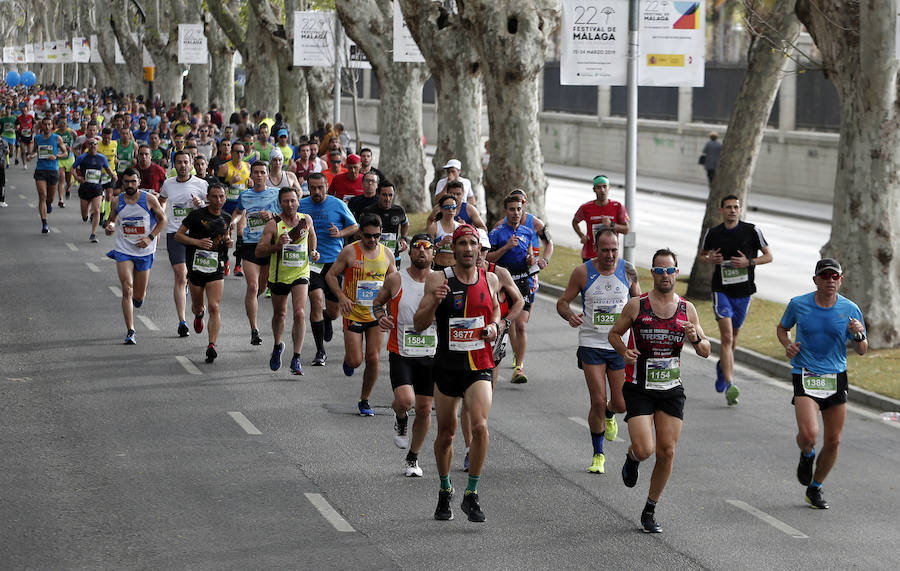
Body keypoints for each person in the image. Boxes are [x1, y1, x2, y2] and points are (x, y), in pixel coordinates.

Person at [608, 249, 711, 533]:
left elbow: (705, 350)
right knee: (645, 448)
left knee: (667, 451)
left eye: (670, 270)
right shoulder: (637, 305)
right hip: (639, 388)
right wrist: (624, 351)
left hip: (671, 389)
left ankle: (650, 509)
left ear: (676, 273)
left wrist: (695, 338)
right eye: (660, 270)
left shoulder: (687, 309)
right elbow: (614, 334)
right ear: (652, 273)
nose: (665, 275)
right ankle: (632, 457)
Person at [414, 224, 501, 523]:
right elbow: (419, 323)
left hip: (480, 364)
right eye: (462, 243)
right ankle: (445, 488)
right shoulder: (439, 279)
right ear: (454, 249)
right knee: (446, 434)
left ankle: (472, 494)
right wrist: (434, 302)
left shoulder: (490, 278)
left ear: (479, 248)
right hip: (448, 366)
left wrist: (494, 326)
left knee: (480, 427)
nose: (467, 248)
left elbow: (496, 310)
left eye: (472, 243)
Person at [776, 258, 867, 510]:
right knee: (809, 435)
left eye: (834, 276)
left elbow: (862, 349)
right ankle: (807, 454)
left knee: (834, 441)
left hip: (835, 376)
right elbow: (782, 328)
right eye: (825, 276)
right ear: (815, 280)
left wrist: (858, 334)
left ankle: (815, 487)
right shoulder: (799, 304)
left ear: (841, 280)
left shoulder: (850, 309)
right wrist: (788, 345)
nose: (830, 280)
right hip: (805, 373)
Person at [557, 227, 640, 474]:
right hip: (591, 343)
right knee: (597, 400)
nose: (610, 255)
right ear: (595, 248)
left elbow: (639, 304)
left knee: (621, 403)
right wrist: (570, 316)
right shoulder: (583, 272)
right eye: (605, 250)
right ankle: (598, 454)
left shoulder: (628, 270)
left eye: (614, 249)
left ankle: (610, 414)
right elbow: (562, 302)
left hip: (619, 345)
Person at [372, 233, 436, 476]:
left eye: (427, 247)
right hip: (402, 351)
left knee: (424, 409)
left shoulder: (440, 281)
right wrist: (382, 317)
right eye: (417, 246)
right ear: (410, 251)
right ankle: (400, 416)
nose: (422, 251)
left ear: (433, 252)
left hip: (430, 353)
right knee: (405, 401)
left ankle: (413, 458)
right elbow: (377, 303)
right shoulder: (396, 279)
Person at [699, 194, 773, 405]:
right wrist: (710, 259)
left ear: (740, 210)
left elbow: (769, 256)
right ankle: (730, 384)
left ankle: (723, 367)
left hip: (743, 292)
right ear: (721, 210)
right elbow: (701, 255)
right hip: (721, 290)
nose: (732, 210)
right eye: (728, 207)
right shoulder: (713, 233)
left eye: (736, 207)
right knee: (727, 337)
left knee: (734, 336)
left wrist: (749, 262)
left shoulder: (752, 231)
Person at [325, 214, 395, 415]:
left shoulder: (387, 254)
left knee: (373, 358)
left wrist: (391, 312)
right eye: (368, 236)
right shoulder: (350, 251)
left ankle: (364, 400)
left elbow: (393, 285)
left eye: (376, 236)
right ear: (360, 234)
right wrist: (341, 297)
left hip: (376, 315)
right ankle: (349, 361)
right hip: (353, 313)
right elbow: (330, 275)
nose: (372, 240)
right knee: (355, 361)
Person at [298, 172, 359, 366]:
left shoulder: (337, 204)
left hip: (334, 263)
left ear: (327, 186)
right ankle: (320, 351)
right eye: (313, 188)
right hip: (311, 262)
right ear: (308, 188)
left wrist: (340, 233)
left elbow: (355, 226)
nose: (316, 191)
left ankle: (326, 317)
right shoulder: (301, 205)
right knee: (316, 301)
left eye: (320, 187)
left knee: (334, 312)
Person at [256, 187, 318, 375]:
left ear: (298, 201)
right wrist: (277, 246)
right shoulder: (273, 225)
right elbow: (259, 251)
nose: (290, 204)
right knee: (280, 315)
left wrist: (313, 251)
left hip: (301, 272)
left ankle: (296, 357)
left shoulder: (305, 220)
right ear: (280, 203)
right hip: (279, 276)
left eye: (293, 200)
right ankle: (277, 346)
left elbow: (312, 235)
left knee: (299, 313)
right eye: (286, 201)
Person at [103, 168, 167, 345]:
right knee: (127, 288)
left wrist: (150, 238)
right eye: (126, 182)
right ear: (122, 183)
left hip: (144, 251)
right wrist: (109, 227)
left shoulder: (149, 199)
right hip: (124, 249)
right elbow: (111, 219)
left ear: (139, 182)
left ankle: (138, 299)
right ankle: (130, 330)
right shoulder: (117, 201)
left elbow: (163, 220)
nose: (130, 185)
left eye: (133, 181)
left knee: (137, 296)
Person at [487, 194, 542, 384]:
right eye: (512, 209)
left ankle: (519, 367)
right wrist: (505, 248)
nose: (516, 213)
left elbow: (530, 255)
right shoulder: (497, 232)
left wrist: (531, 259)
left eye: (519, 209)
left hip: (522, 281)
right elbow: (488, 258)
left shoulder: (528, 232)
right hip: (503, 283)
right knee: (505, 323)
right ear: (505, 211)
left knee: (521, 325)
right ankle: (493, 359)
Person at [175, 182, 233, 363]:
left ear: (225, 198)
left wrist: (228, 243)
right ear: (207, 197)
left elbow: (225, 237)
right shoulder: (196, 215)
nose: (218, 200)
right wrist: (197, 242)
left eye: (221, 196)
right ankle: (199, 314)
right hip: (196, 266)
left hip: (216, 267)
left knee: (214, 306)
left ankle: (211, 345)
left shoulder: (227, 217)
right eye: (214, 196)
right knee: (198, 306)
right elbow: (178, 235)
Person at [158, 150, 209, 337]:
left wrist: (201, 205)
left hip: (197, 235)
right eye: (178, 162)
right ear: (174, 164)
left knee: (197, 279)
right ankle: (182, 321)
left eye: (185, 162)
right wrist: (161, 216)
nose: (182, 165)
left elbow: (213, 207)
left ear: (191, 164)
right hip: (176, 234)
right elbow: (162, 200)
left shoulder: (201, 184)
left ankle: (198, 311)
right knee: (181, 275)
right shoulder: (168, 184)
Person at [232, 161, 281, 346]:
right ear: (251, 175)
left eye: (262, 172)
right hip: (250, 244)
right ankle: (254, 329)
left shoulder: (277, 194)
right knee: (252, 286)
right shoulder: (245, 195)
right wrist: (233, 222)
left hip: (269, 244)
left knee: (262, 286)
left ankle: (251, 302)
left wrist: (272, 217)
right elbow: (238, 212)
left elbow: (288, 215)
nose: (259, 175)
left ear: (267, 175)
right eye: (256, 172)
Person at [572, 175, 630, 262]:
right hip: (590, 254)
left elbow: (626, 229)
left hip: (610, 255)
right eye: (599, 187)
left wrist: (611, 224)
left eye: (604, 186)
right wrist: (582, 236)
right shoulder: (586, 207)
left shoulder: (617, 206)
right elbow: (575, 222)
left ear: (609, 188)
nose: (602, 190)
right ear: (594, 190)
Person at [73, 138, 116, 242]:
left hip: (97, 188)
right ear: (87, 146)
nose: (93, 145)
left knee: (97, 210)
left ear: (97, 146)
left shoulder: (102, 158)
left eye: (95, 144)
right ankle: (86, 214)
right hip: (85, 188)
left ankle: (93, 234)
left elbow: (108, 169)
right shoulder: (82, 157)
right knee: (84, 215)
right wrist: (77, 177)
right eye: (90, 144)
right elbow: (72, 168)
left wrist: (113, 175)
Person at [218, 141, 251, 276]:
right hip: (227, 204)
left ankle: (238, 266)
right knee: (227, 235)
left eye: (242, 152)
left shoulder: (247, 166)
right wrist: (229, 182)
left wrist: (251, 184)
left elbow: (250, 185)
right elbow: (218, 187)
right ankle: (225, 261)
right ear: (232, 153)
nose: (239, 154)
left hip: (241, 204)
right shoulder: (224, 168)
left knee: (241, 234)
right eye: (237, 152)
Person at [29, 116, 67, 234]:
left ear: (52, 126)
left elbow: (65, 153)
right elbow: (34, 151)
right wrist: (32, 155)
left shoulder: (57, 138)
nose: (47, 126)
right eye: (44, 124)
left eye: (49, 124)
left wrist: (56, 156)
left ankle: (49, 203)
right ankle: (44, 224)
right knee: (42, 196)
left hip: (53, 171)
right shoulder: (38, 138)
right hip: (40, 170)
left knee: (50, 198)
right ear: (42, 126)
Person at [362, 179, 409, 270]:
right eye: (384, 195)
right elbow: (360, 230)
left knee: (393, 279)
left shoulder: (399, 211)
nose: (387, 199)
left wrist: (403, 238)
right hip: (372, 256)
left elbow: (405, 224)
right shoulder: (368, 211)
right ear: (378, 194)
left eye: (390, 195)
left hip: (393, 256)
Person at [427, 195, 460, 270]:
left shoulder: (460, 227)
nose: (451, 210)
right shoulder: (434, 227)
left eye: (453, 207)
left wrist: (454, 244)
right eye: (447, 207)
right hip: (438, 267)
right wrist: (440, 244)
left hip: (455, 267)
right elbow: (428, 250)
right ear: (441, 209)